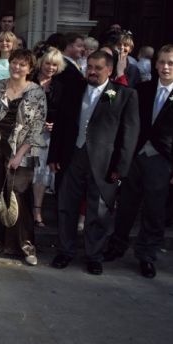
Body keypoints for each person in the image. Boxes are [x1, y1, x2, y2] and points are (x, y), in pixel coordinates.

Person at [105, 45, 173, 279]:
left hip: (163, 160)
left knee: (155, 210)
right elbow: (128, 123)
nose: (165, 67)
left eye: (171, 63)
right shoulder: (143, 89)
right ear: (155, 64)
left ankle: (147, 255)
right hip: (135, 156)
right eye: (161, 62)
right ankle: (117, 245)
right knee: (126, 205)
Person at [48, 50, 139, 275]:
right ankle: (65, 250)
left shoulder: (124, 95)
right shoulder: (73, 90)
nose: (92, 71)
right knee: (66, 206)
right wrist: (54, 156)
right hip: (72, 157)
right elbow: (61, 124)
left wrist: (120, 167)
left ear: (109, 70)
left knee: (99, 211)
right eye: (89, 67)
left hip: (104, 162)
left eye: (98, 68)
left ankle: (94, 255)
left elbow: (129, 133)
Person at [0, 49, 46, 265]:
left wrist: (19, 155)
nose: (16, 67)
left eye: (22, 64)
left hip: (22, 150)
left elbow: (36, 127)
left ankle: (25, 246)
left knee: (18, 197)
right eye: (14, 62)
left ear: (30, 69)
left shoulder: (36, 92)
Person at [31, 47, 65, 227]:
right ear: (41, 63)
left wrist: (55, 125)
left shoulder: (60, 86)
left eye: (54, 65)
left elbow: (63, 112)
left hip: (47, 136)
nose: (50, 68)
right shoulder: (30, 80)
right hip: (27, 133)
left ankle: (37, 211)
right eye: (47, 63)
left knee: (41, 173)